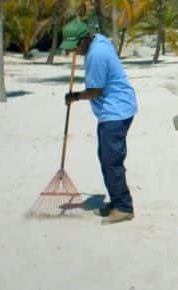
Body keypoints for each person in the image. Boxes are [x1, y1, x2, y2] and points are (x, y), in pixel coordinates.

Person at [59, 18, 138, 225]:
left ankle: (123, 207)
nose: (74, 51)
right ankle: (116, 201)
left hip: (116, 112)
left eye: (76, 46)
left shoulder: (97, 54)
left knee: (111, 161)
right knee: (106, 158)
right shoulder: (99, 41)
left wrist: (74, 97)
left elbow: (96, 91)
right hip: (116, 109)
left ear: (85, 39)